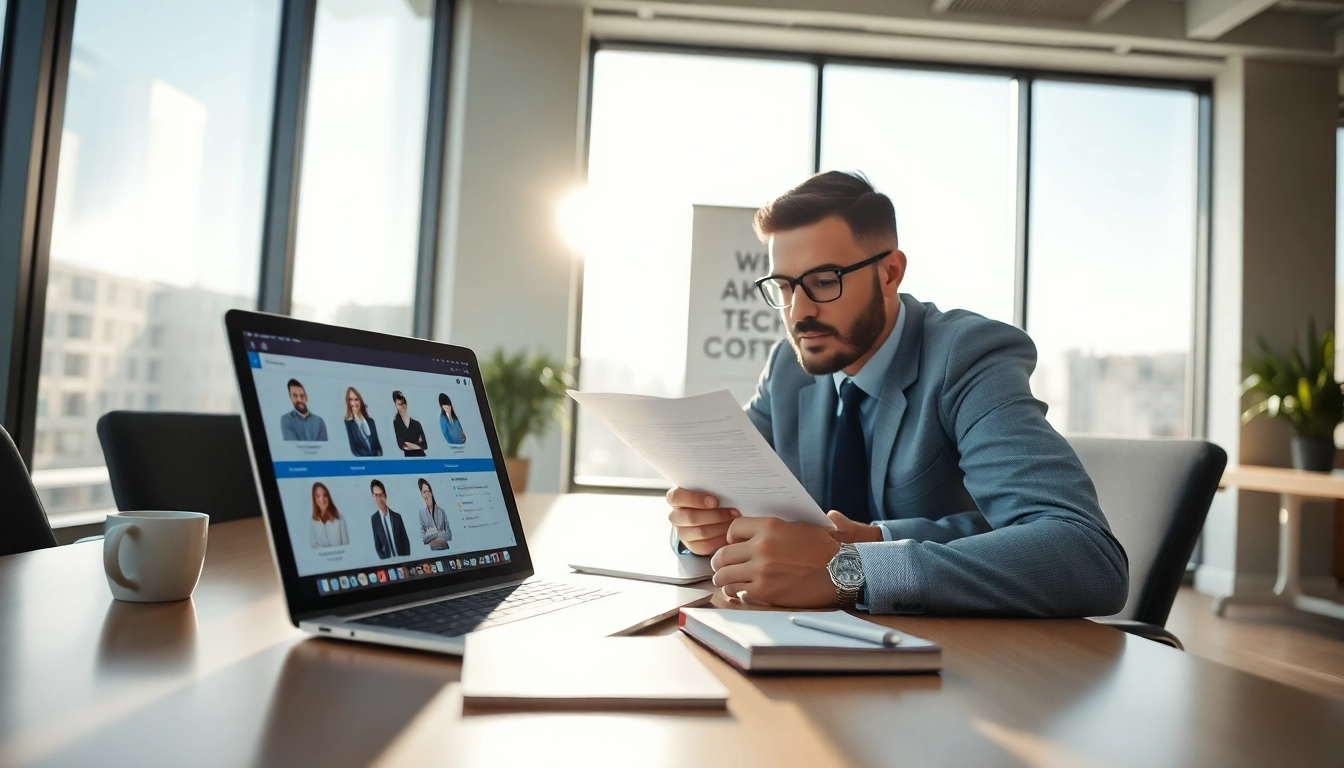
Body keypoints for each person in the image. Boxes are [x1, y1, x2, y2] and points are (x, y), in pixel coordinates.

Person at [667, 171, 1128, 617]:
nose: (798, 311)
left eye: (824, 281)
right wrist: (701, 528)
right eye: (784, 286)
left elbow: (1085, 555)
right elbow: (727, 486)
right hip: (815, 637)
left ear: (890, 273)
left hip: (966, 663)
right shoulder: (789, 368)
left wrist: (848, 568)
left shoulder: (964, 357)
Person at [369, 479, 409, 559]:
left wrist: (407, 561)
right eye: (376, 495)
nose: (379, 499)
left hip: (402, 560)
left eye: (381, 495)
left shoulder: (397, 517)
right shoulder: (374, 519)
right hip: (388, 562)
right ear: (373, 496)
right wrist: (384, 560)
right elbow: (377, 543)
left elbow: (405, 541)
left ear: (385, 495)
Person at [343, 386, 383, 457]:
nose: (354, 403)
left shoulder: (371, 422)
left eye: (356, 399)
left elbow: (378, 447)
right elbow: (353, 450)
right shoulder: (348, 423)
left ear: (360, 401)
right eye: (350, 399)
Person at [309, 482, 348, 548]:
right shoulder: (313, 522)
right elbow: (313, 546)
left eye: (325, 495)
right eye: (318, 496)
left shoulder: (339, 519)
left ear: (328, 497)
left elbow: (346, 546)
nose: (322, 500)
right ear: (314, 499)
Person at [416, 477, 452, 550]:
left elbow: (449, 535)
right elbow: (423, 538)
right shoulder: (422, 514)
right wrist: (440, 533)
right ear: (421, 494)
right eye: (425, 492)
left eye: (429, 491)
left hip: (446, 550)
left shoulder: (441, 512)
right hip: (432, 552)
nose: (428, 494)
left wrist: (430, 533)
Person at [391, 391, 428, 457]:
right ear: (395, 405)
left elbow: (424, 445)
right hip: (409, 459)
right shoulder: (396, 423)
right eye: (399, 404)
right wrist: (418, 444)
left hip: (422, 457)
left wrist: (410, 444)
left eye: (404, 403)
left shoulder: (416, 424)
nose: (402, 406)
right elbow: (402, 445)